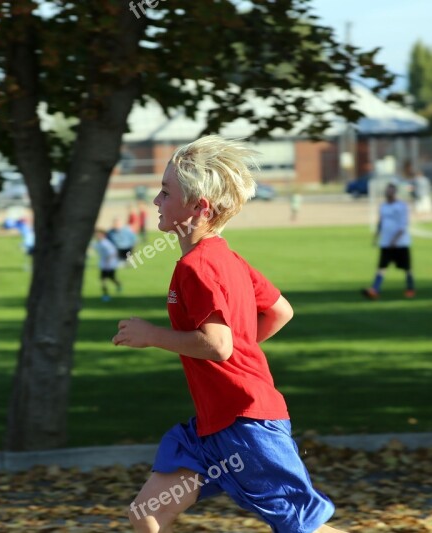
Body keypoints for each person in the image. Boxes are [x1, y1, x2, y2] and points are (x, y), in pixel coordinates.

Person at [113, 136, 341, 533]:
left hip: (245, 425)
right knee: (147, 513)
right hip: (210, 430)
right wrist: (240, 349)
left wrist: (151, 334)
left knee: (302, 527)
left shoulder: (196, 267)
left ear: (199, 207)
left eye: (166, 192)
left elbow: (218, 345)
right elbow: (280, 311)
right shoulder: (227, 258)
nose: (156, 202)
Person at [361, 183, 415, 300]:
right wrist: (376, 236)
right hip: (385, 243)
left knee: (407, 268)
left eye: (390, 191)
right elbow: (381, 222)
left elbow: (403, 224)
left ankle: (410, 289)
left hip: (401, 243)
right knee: (381, 267)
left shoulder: (401, 206)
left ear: (394, 193)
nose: (388, 193)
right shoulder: (383, 206)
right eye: (387, 191)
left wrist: (395, 240)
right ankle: (375, 289)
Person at [94, 229, 121, 302]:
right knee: (103, 281)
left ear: (103, 235)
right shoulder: (98, 243)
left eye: (98, 234)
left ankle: (118, 284)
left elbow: (113, 253)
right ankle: (106, 295)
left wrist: (109, 261)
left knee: (112, 278)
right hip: (103, 266)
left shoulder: (106, 243)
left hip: (110, 265)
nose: (96, 236)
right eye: (96, 234)